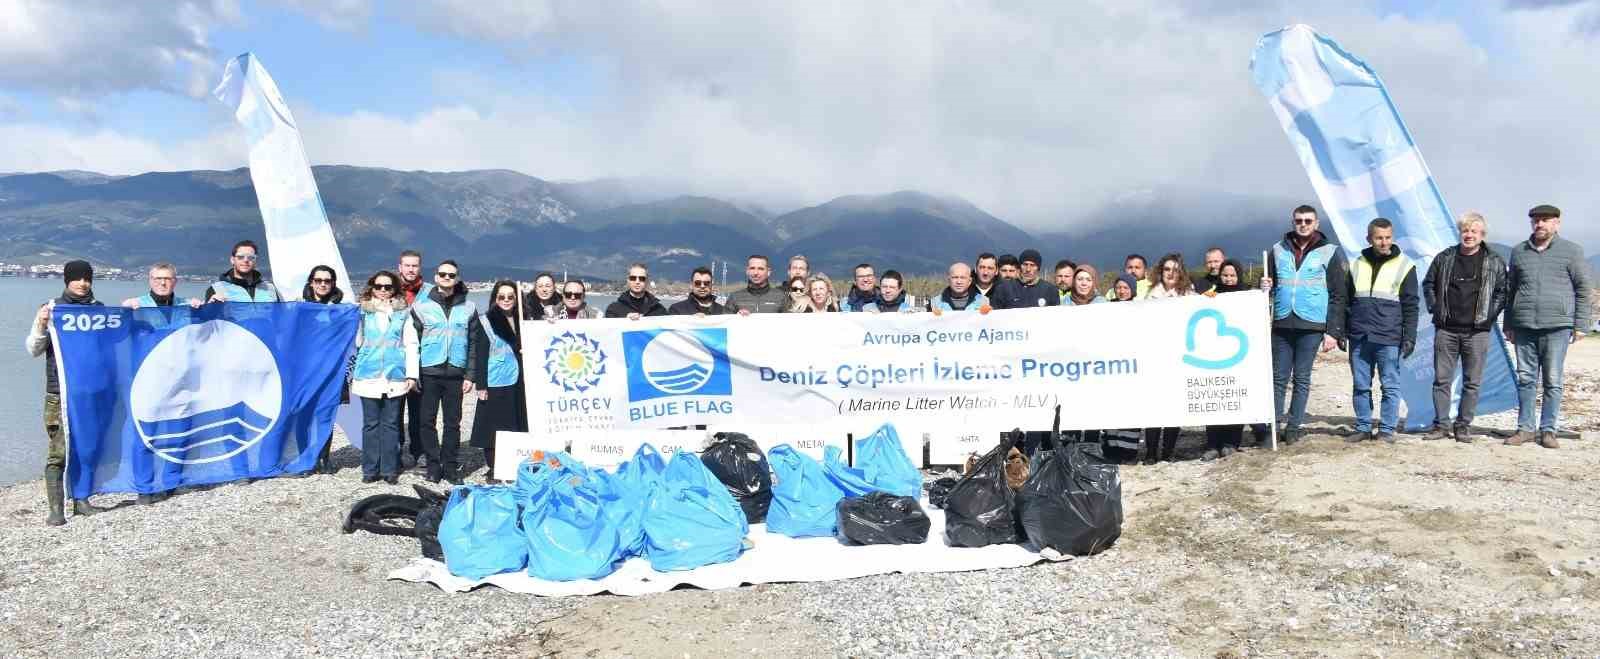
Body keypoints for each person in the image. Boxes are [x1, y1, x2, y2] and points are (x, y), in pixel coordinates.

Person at [1504, 204, 1592, 449]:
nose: (1539, 224)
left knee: (1553, 380)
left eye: (1545, 220)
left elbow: (1583, 289)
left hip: (1557, 326)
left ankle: (1548, 431)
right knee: (1526, 380)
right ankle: (1525, 429)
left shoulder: (1572, 251)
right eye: (1536, 220)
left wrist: (1581, 324)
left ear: (1557, 223)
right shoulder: (1519, 251)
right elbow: (1511, 291)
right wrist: (1509, 323)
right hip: (1524, 326)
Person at [1261, 205, 1349, 445]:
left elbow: (1338, 294)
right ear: (1293, 222)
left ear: (1316, 224)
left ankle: (1293, 427)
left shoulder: (1329, 252)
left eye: (1308, 221)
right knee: (1278, 378)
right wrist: (1265, 286)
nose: (1303, 224)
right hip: (1281, 321)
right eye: (1299, 220)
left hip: (1311, 324)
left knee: (1301, 378)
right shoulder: (1278, 250)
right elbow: (1270, 283)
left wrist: (1333, 331)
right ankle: (1273, 428)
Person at [26, 260, 105, 525]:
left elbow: (113, 348)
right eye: (77, 278)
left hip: (90, 393)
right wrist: (40, 324)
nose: (83, 283)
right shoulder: (52, 309)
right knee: (59, 452)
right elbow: (33, 350)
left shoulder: (100, 311)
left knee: (88, 448)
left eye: (87, 278)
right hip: (59, 393)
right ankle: (56, 509)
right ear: (66, 281)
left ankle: (82, 500)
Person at [1422, 212, 1508, 443]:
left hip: (1477, 331)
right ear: (1460, 233)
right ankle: (1441, 425)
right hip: (1446, 330)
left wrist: (1489, 317)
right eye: (1465, 231)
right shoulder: (1445, 257)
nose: (1469, 235)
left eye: (1474, 231)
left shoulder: (1494, 261)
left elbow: (1502, 291)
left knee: (1472, 382)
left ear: (1482, 235)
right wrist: (1435, 307)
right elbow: (1428, 283)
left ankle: (1463, 426)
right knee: (1442, 380)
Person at [1341, 218, 1419, 444]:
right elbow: (1346, 301)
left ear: (1392, 238)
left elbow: (1411, 305)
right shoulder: (1356, 264)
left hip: (1388, 336)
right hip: (1360, 335)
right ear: (1369, 239)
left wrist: (1409, 336)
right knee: (1360, 385)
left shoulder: (1405, 265)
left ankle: (1386, 430)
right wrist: (1342, 331)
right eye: (1379, 238)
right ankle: (1363, 427)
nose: (1384, 242)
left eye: (1387, 238)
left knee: (1390, 385)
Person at [410, 260, 483, 483]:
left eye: (451, 275)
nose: (447, 278)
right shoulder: (421, 307)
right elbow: (413, 343)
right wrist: (413, 374)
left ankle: (450, 466)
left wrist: (470, 375)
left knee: (453, 423)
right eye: (443, 274)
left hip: (456, 373)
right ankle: (433, 466)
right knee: (427, 421)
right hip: (429, 372)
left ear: (457, 278)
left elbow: (473, 344)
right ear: (436, 277)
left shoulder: (469, 308)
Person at [351, 270, 418, 485]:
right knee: (370, 424)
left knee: (391, 424)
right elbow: (355, 341)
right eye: (378, 286)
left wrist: (412, 375)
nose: (382, 291)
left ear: (394, 289)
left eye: (387, 287)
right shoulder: (362, 312)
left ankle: (390, 469)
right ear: (372, 287)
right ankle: (370, 469)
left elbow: (411, 344)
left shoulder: (402, 313)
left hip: (394, 376)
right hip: (368, 375)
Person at [470, 281, 527, 482]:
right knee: (492, 426)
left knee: (516, 424)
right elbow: (481, 354)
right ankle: (494, 467)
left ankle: (513, 466)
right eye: (501, 296)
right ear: (495, 298)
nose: (506, 300)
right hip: (496, 380)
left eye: (510, 296)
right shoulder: (486, 321)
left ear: (516, 299)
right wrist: (481, 385)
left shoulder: (524, 319)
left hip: (520, 381)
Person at [1141, 253, 1195, 462]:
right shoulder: (1150, 294)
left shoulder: (1189, 295)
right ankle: (1151, 451)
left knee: (1174, 406)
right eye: (1166, 269)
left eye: (1175, 269)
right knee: (1154, 405)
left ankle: (1168, 451)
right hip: (1154, 357)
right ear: (1160, 272)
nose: (1171, 273)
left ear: (1181, 272)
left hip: (1181, 357)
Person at [1202, 260, 1252, 459]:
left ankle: (1231, 442)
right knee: (1214, 397)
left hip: (1240, 356)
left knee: (1234, 399)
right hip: (1214, 355)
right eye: (1225, 275)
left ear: (1238, 276)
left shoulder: (1248, 294)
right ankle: (1213, 444)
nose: (1229, 279)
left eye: (1232, 275)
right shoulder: (1212, 295)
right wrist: (1204, 300)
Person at [302, 265, 348, 474]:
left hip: (331, 371)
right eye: (318, 280)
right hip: (305, 370)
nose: (322, 284)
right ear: (311, 282)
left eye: (327, 281)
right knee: (304, 416)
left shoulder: (341, 309)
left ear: (333, 284)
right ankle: (306, 458)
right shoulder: (300, 308)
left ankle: (324, 457)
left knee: (326, 415)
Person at [1097, 272, 1143, 463]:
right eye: (1119, 287)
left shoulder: (1141, 309)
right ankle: (1111, 446)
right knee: (1111, 406)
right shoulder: (1107, 308)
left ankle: (1128, 449)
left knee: (1130, 407)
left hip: (1132, 363)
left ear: (1132, 290)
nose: (1122, 291)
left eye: (1126, 287)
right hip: (1110, 363)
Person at [396, 249, 428, 470]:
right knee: (395, 411)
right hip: (396, 360)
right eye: (407, 265)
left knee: (420, 411)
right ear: (400, 267)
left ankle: (419, 450)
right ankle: (397, 450)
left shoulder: (429, 293)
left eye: (414, 265)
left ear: (420, 268)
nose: (410, 269)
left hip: (423, 358)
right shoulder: (388, 290)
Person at [203, 239, 280, 302]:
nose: (245, 260)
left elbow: (281, 316)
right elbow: (206, 318)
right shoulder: (216, 289)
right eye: (240, 257)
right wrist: (199, 308)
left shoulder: (270, 289)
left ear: (255, 261)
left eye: (250, 257)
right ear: (232, 260)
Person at [990, 249, 1058, 309]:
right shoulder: (1004, 289)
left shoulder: (1050, 290)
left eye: (1032, 265)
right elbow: (995, 315)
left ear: (1038, 268)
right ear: (1020, 267)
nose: (1028, 269)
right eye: (1025, 264)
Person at [121, 262, 201, 310]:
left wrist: (203, 308)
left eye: (168, 279)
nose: (163, 283)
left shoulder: (188, 305)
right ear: (150, 281)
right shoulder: (136, 305)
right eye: (158, 279)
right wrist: (124, 311)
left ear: (175, 281)